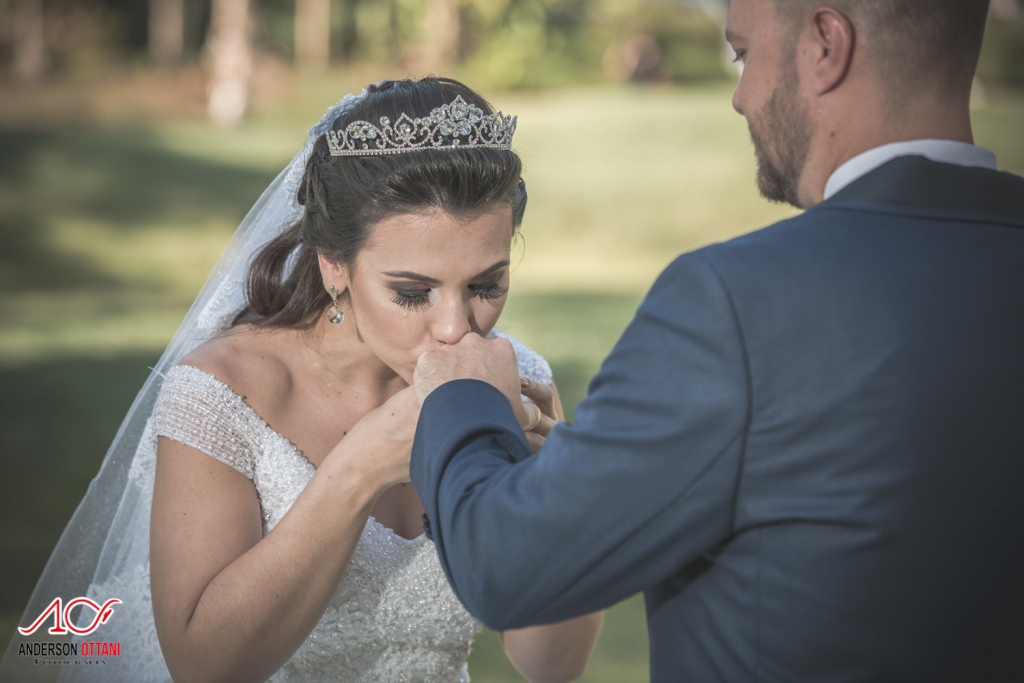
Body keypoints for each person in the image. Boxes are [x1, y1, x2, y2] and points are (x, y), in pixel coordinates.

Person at [408, 1, 1024, 681]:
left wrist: (463, 397)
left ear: (826, 45)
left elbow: (507, 566)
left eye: (743, 54)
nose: (738, 96)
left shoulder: (737, 303)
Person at [0, 77, 602, 683]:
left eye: (485, 286)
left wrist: (557, 500)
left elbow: (552, 666)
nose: (454, 329)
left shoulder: (516, 382)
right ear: (333, 265)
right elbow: (204, 667)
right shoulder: (223, 393)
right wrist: (361, 466)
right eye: (413, 293)